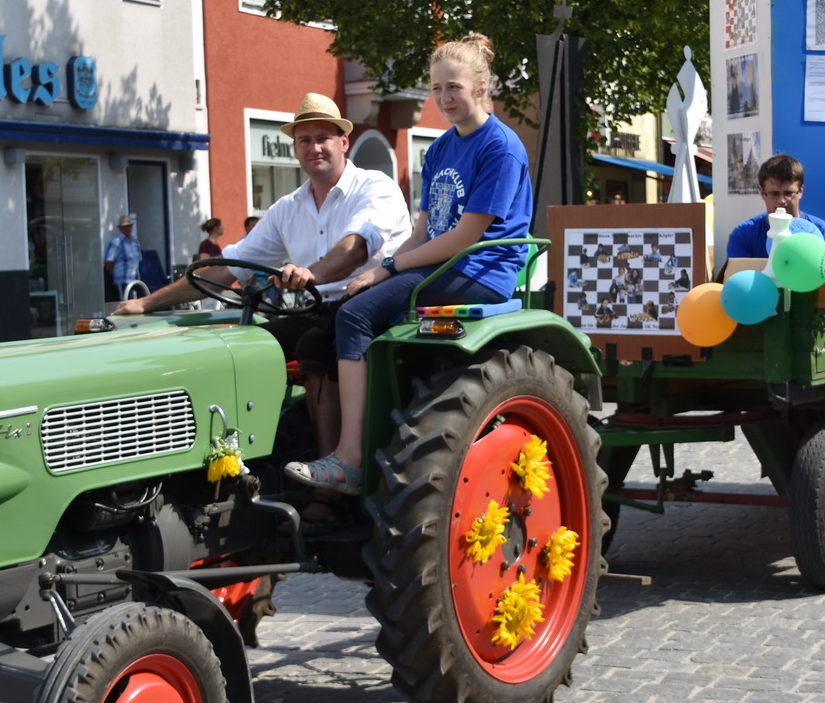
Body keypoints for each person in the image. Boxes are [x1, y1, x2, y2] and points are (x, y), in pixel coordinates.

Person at [115, 92, 411, 479]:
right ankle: (238, 460)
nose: (314, 147)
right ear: (295, 149)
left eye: (323, 137)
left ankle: (331, 481)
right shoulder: (287, 208)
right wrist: (146, 304)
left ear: (344, 142)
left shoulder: (375, 187)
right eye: (305, 140)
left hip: (375, 306)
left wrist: (312, 274)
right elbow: (227, 269)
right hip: (318, 309)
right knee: (246, 347)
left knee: (315, 345)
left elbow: (355, 249)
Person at [285, 33, 532, 498]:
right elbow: (424, 231)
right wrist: (379, 271)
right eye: (437, 88)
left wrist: (388, 269)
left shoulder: (500, 146)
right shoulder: (439, 149)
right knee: (331, 318)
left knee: (356, 314)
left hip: (480, 268)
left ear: (481, 87)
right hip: (443, 264)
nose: (444, 98)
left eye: (454, 87)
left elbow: (464, 236)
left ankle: (350, 459)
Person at [725, 154, 825, 258]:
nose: (781, 201)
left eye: (789, 193)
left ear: (801, 191)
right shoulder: (743, 235)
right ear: (762, 193)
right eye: (774, 194)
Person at [103, 214, 142, 302]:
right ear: (120, 229)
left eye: (129, 226)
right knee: (124, 302)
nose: (128, 229)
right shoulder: (116, 243)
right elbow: (108, 261)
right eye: (125, 227)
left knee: (138, 302)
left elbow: (138, 260)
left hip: (135, 279)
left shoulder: (135, 241)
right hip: (122, 280)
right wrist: (116, 275)